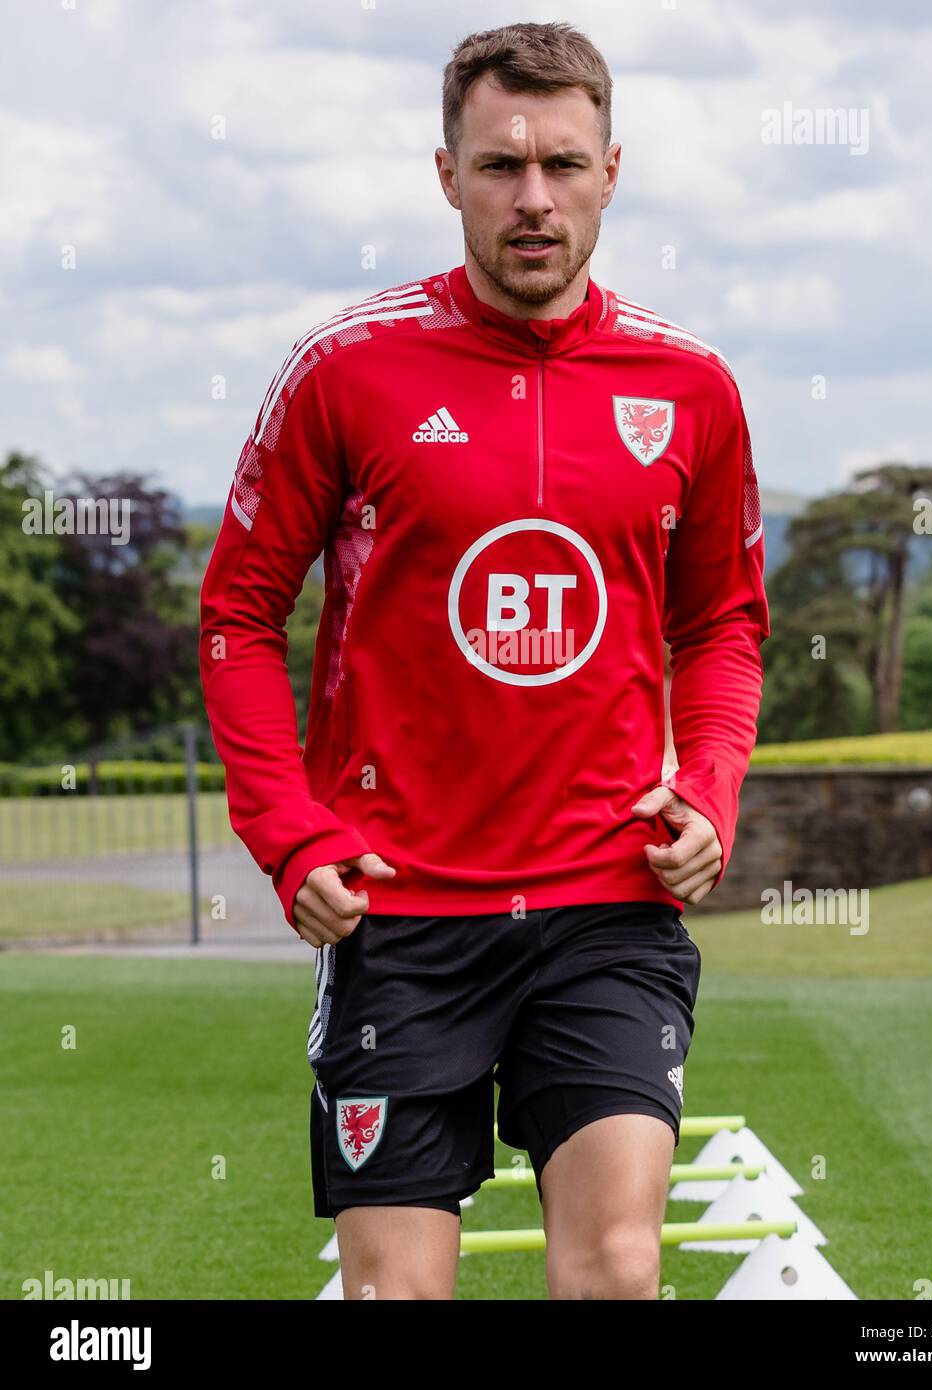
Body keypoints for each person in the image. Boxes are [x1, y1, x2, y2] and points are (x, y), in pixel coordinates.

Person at [199, 19, 769, 1300]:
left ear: (610, 174)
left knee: (617, 1269)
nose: (533, 198)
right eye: (500, 164)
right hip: (399, 906)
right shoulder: (344, 371)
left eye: (563, 166)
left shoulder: (689, 385)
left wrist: (711, 790)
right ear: (445, 172)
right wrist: (290, 833)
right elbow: (238, 616)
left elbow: (721, 623)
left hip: (605, 897)